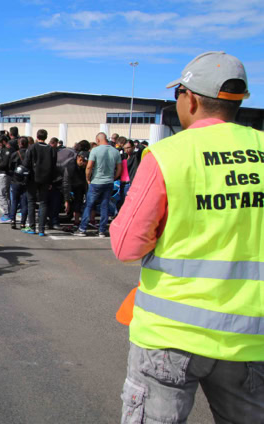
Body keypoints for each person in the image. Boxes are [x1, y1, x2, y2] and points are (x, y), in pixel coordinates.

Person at [111, 51, 263, 423]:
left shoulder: (169, 154)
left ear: (190, 98)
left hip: (170, 335)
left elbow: (126, 246)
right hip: (250, 339)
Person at [74, 132, 121, 237]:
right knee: (104, 206)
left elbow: (89, 166)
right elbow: (119, 168)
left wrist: (88, 178)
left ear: (98, 140)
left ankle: (82, 229)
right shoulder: (115, 151)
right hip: (109, 182)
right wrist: (113, 178)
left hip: (96, 181)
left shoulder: (95, 150)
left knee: (89, 205)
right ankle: (102, 230)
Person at [23, 129, 56, 236]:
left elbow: (26, 163)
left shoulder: (32, 147)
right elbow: (53, 166)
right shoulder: (51, 149)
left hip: (33, 178)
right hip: (46, 179)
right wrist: (51, 181)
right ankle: (41, 229)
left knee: (31, 202)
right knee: (43, 203)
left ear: (37, 137)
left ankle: (32, 227)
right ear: (46, 137)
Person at [62, 151, 89, 228]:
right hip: (71, 184)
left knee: (80, 202)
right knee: (73, 202)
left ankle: (78, 221)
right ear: (78, 157)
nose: (83, 163)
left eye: (85, 161)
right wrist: (66, 200)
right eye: (81, 160)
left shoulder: (87, 167)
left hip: (81, 185)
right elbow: (66, 183)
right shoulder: (71, 166)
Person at [0, 131, 17, 223]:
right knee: (6, 194)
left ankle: (7, 214)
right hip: (7, 174)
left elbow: (5, 163)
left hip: (5, 174)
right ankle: (8, 213)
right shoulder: (8, 149)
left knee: (1, 194)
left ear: (4, 141)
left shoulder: (7, 150)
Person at [8, 137, 29, 230]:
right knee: (24, 202)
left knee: (14, 201)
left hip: (16, 180)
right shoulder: (29, 154)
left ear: (19, 144)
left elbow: (10, 167)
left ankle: (13, 220)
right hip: (26, 180)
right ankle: (23, 223)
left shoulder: (15, 154)